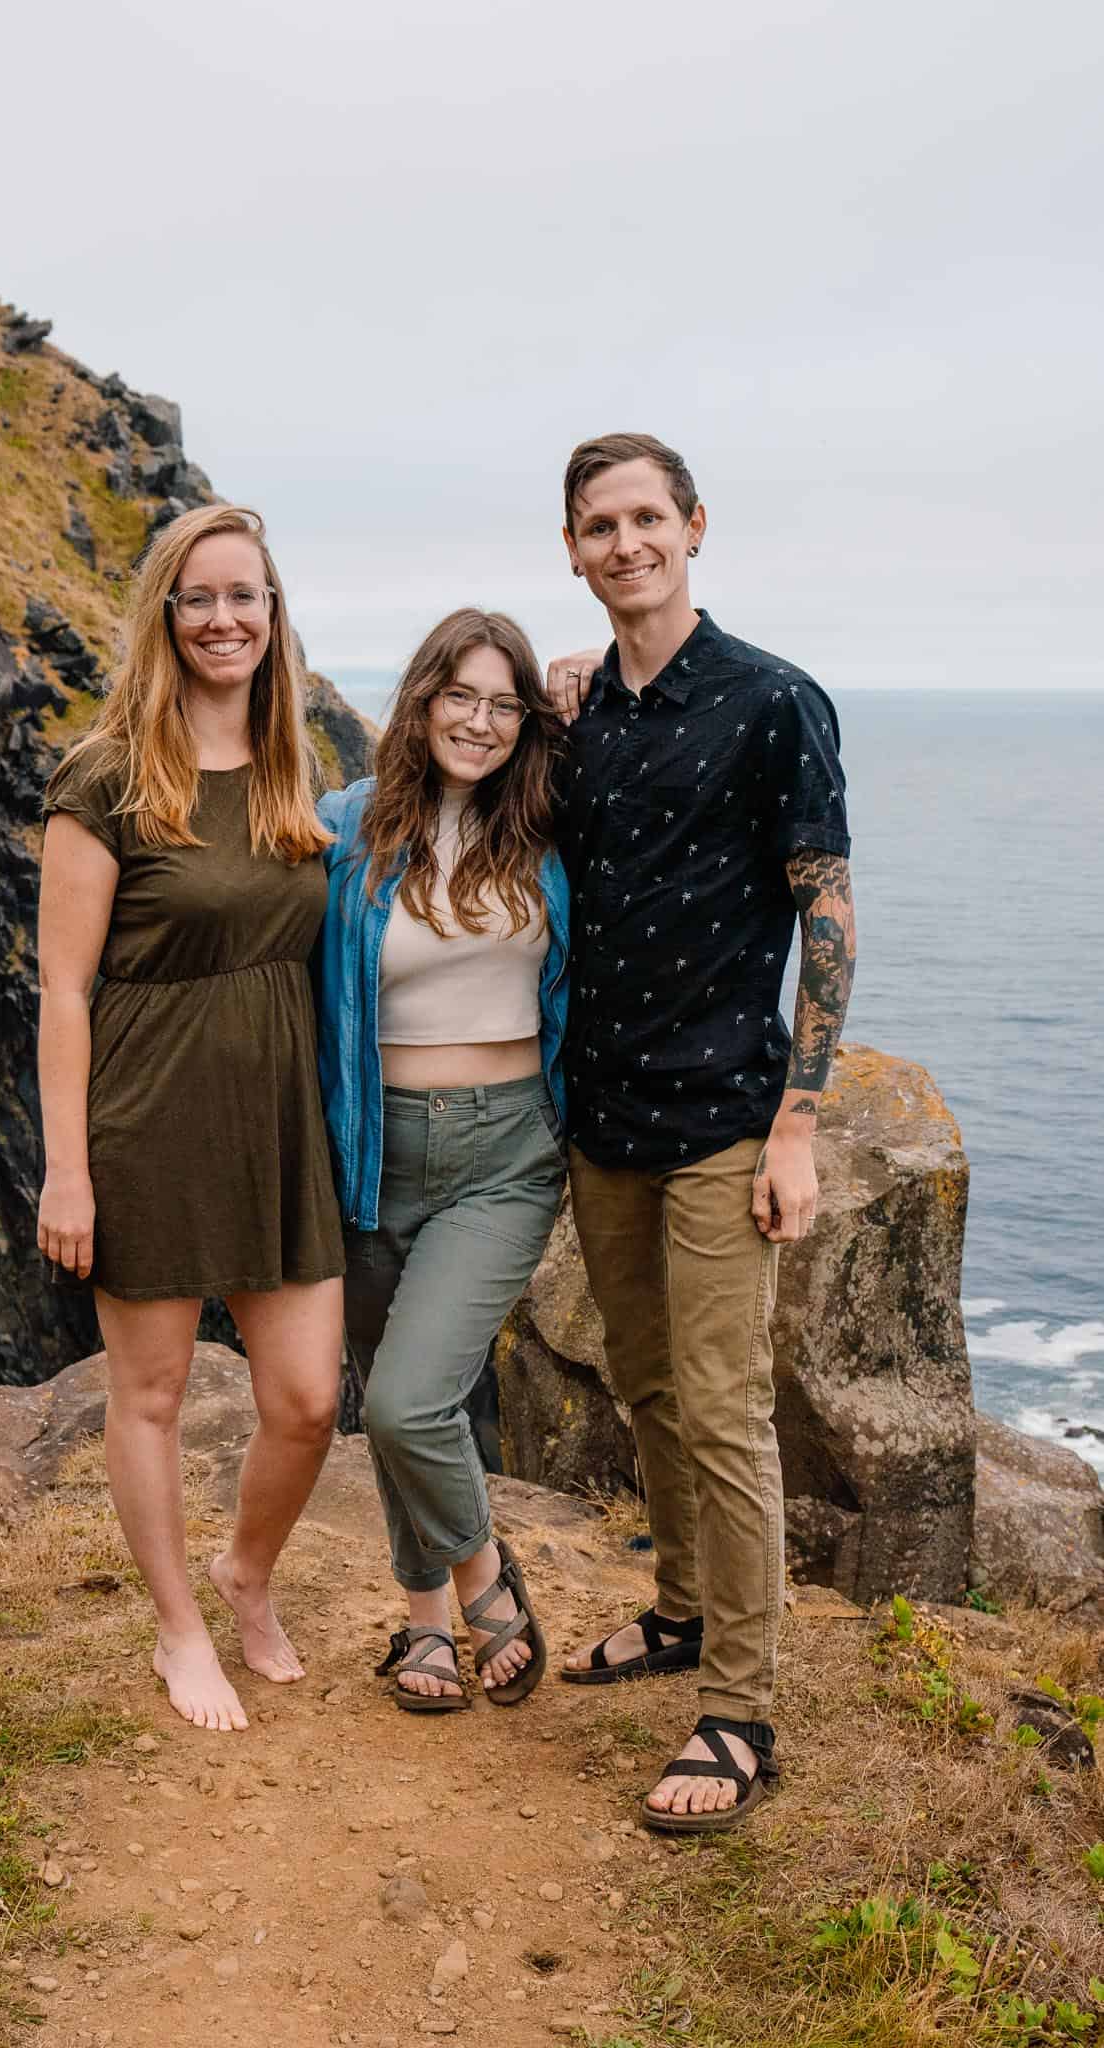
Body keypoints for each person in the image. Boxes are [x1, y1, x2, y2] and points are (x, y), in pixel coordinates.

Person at [546, 433, 856, 1830]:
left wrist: (799, 1123)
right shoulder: (581, 715)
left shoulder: (774, 700)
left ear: (693, 527)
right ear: (571, 551)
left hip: (729, 1117)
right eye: (598, 525)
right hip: (602, 1117)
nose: (625, 543)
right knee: (647, 1386)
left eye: (645, 518)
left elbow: (826, 915)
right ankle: (679, 1610)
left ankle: (738, 1710)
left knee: (726, 1410)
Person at [35, 504, 345, 1735]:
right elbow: (61, 988)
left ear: (274, 619)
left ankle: (245, 1576)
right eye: (201, 598)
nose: (225, 619)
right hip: (144, 1114)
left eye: (246, 598)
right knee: (151, 1394)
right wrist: (67, 1170)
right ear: (166, 617)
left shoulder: (291, 765)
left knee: (309, 1397)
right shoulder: (104, 774)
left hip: (278, 1116)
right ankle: (178, 1628)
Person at [315, 610, 570, 1711]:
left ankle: (484, 1585)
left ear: (526, 720)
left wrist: (591, 691)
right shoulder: (344, 829)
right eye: (459, 696)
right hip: (374, 1149)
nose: (479, 720)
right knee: (401, 1391)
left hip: (508, 1150)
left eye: (503, 702)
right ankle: (422, 1619)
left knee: (407, 1400)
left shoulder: (554, 833)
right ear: (420, 702)